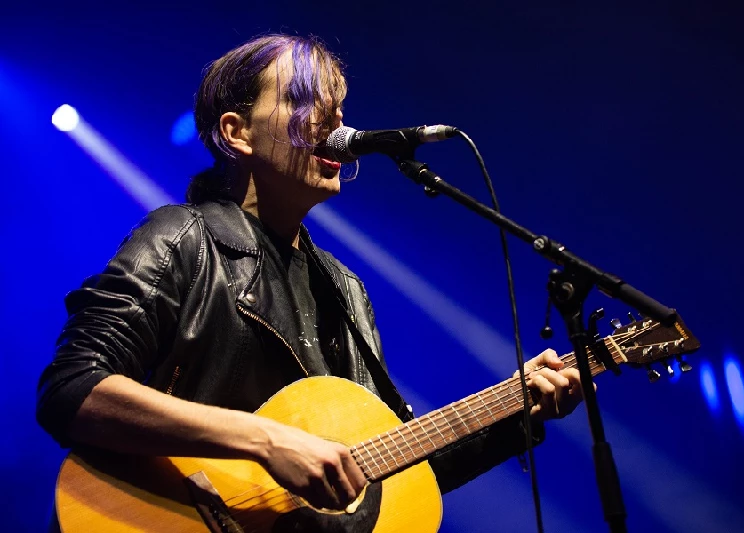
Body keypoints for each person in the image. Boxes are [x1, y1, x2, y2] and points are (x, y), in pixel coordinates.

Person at [36, 34, 586, 525]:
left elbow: (377, 478)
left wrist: (519, 411)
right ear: (238, 132)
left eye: (339, 107)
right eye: (304, 101)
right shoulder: (182, 238)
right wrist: (265, 440)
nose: (336, 123)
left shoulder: (344, 290)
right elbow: (71, 389)